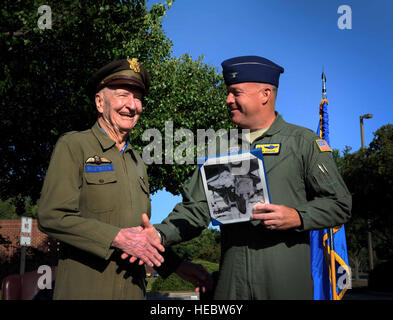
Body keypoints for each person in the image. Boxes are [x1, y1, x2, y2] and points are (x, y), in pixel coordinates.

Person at [138, 55, 352, 299]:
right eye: (228, 93)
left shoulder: (304, 144)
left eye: (236, 92)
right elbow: (195, 209)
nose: (228, 100)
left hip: (286, 284)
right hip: (232, 286)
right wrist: (160, 234)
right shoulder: (218, 148)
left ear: (265, 94)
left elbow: (340, 204)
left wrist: (297, 217)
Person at [38, 58, 211, 300]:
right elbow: (51, 215)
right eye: (122, 95)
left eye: (138, 98)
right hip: (85, 290)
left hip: (132, 291)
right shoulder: (74, 145)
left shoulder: (138, 162)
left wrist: (177, 266)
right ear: (100, 102)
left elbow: (141, 237)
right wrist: (116, 238)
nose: (132, 105)